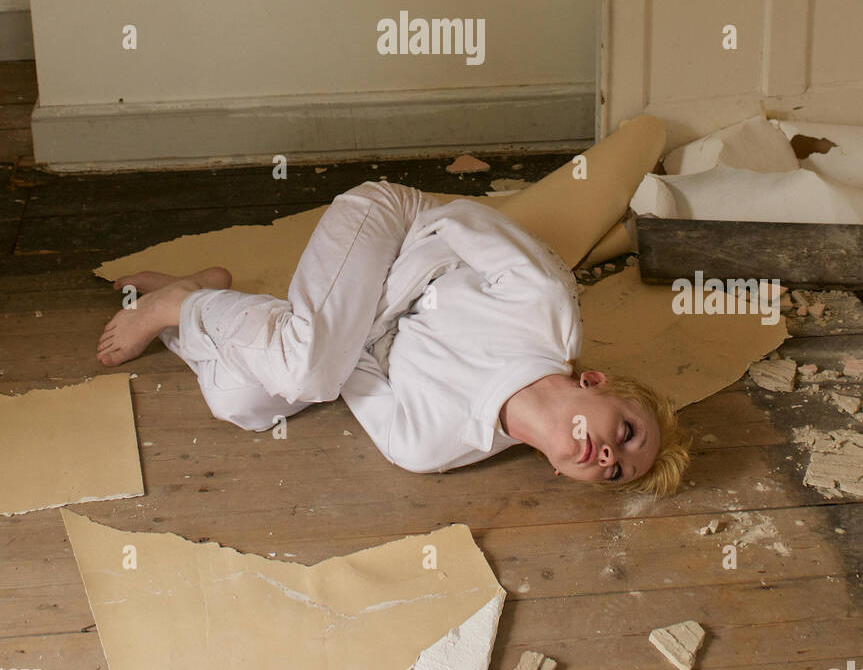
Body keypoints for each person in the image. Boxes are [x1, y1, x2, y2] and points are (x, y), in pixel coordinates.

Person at [97, 178, 690, 495]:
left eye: (615, 472)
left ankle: (195, 294)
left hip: (356, 332)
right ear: (594, 381)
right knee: (304, 366)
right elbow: (464, 220)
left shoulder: (428, 447)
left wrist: (341, 324)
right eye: (629, 433)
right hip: (394, 227)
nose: (611, 456)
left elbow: (354, 372)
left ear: (565, 475)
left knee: (241, 403)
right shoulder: (546, 310)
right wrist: (383, 290)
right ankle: (184, 304)